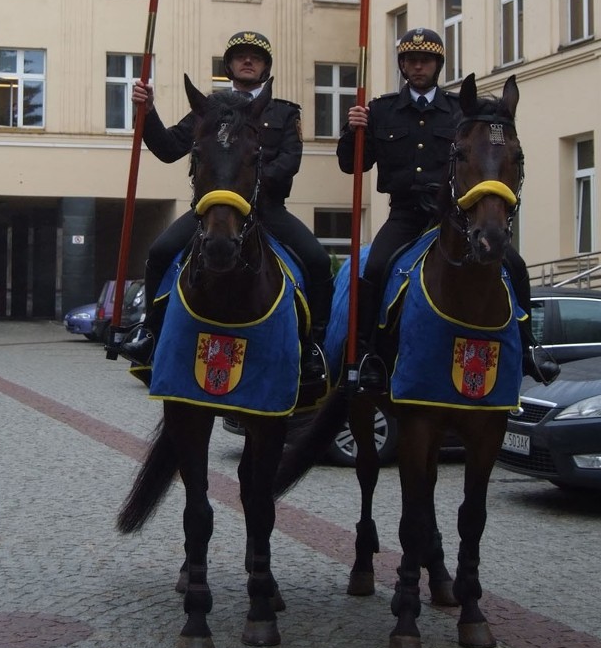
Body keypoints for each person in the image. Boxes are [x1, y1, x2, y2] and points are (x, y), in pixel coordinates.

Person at [337, 26, 558, 385]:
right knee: (377, 266)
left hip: (452, 214)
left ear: (437, 65)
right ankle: (366, 351)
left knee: (514, 264)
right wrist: (352, 130)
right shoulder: (382, 110)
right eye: (411, 60)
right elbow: (352, 165)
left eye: (425, 61)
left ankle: (529, 345)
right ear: (402, 66)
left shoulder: (461, 110)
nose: (418, 67)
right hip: (406, 213)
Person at [117, 31, 333, 383]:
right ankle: (149, 333)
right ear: (229, 65)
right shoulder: (211, 109)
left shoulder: (284, 112)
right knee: (161, 251)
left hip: (267, 209)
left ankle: (312, 347)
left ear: (265, 67)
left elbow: (290, 161)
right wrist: (147, 111)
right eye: (240, 56)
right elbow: (169, 147)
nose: (247, 61)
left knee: (318, 261)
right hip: (215, 209)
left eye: (256, 57)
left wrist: (249, 184)